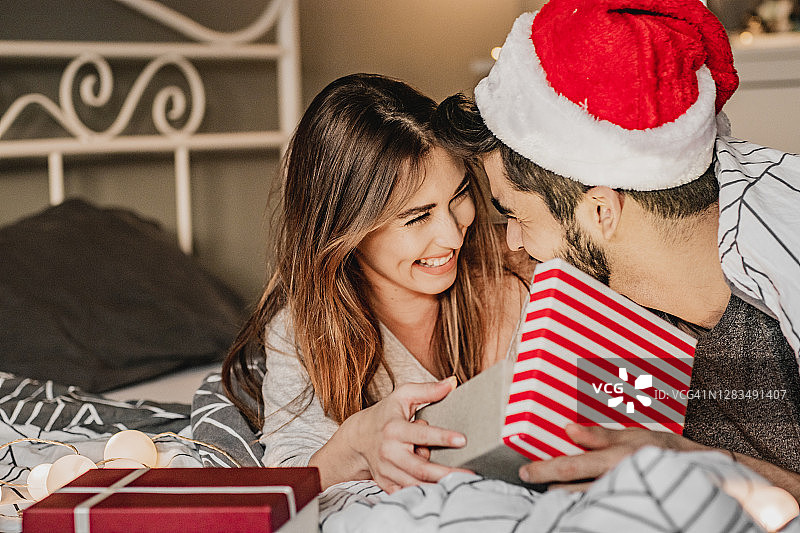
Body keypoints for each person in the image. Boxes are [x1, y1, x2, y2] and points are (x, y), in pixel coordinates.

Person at [434, 0, 800, 499]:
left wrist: (706, 468)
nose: (513, 241)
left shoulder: (784, 252)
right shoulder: (622, 301)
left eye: (516, 215)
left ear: (601, 212)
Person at [222, 73, 529, 493]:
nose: (453, 234)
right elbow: (289, 481)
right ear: (347, 229)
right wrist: (352, 445)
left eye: (458, 196)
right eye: (417, 217)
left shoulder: (522, 269)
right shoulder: (303, 332)